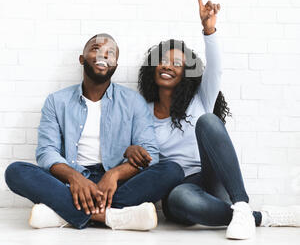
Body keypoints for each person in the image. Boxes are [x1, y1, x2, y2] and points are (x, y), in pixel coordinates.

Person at [125, 0, 300, 240]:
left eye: (176, 63)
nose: (167, 66)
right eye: (162, 61)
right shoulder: (140, 111)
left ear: (186, 73)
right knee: (180, 197)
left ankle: (240, 204)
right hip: (178, 189)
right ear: (152, 69)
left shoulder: (201, 99)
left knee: (208, 121)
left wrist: (209, 30)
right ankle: (261, 217)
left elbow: (216, 69)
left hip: (212, 178)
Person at [5, 33, 184, 231]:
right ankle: (111, 216)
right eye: (96, 49)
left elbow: (151, 153)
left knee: (172, 170)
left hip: (118, 184)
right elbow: (47, 152)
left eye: (110, 53)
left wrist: (114, 175)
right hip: (69, 181)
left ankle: (63, 214)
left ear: (115, 65)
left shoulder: (133, 102)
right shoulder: (57, 101)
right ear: (82, 59)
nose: (103, 55)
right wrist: (75, 179)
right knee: (15, 171)